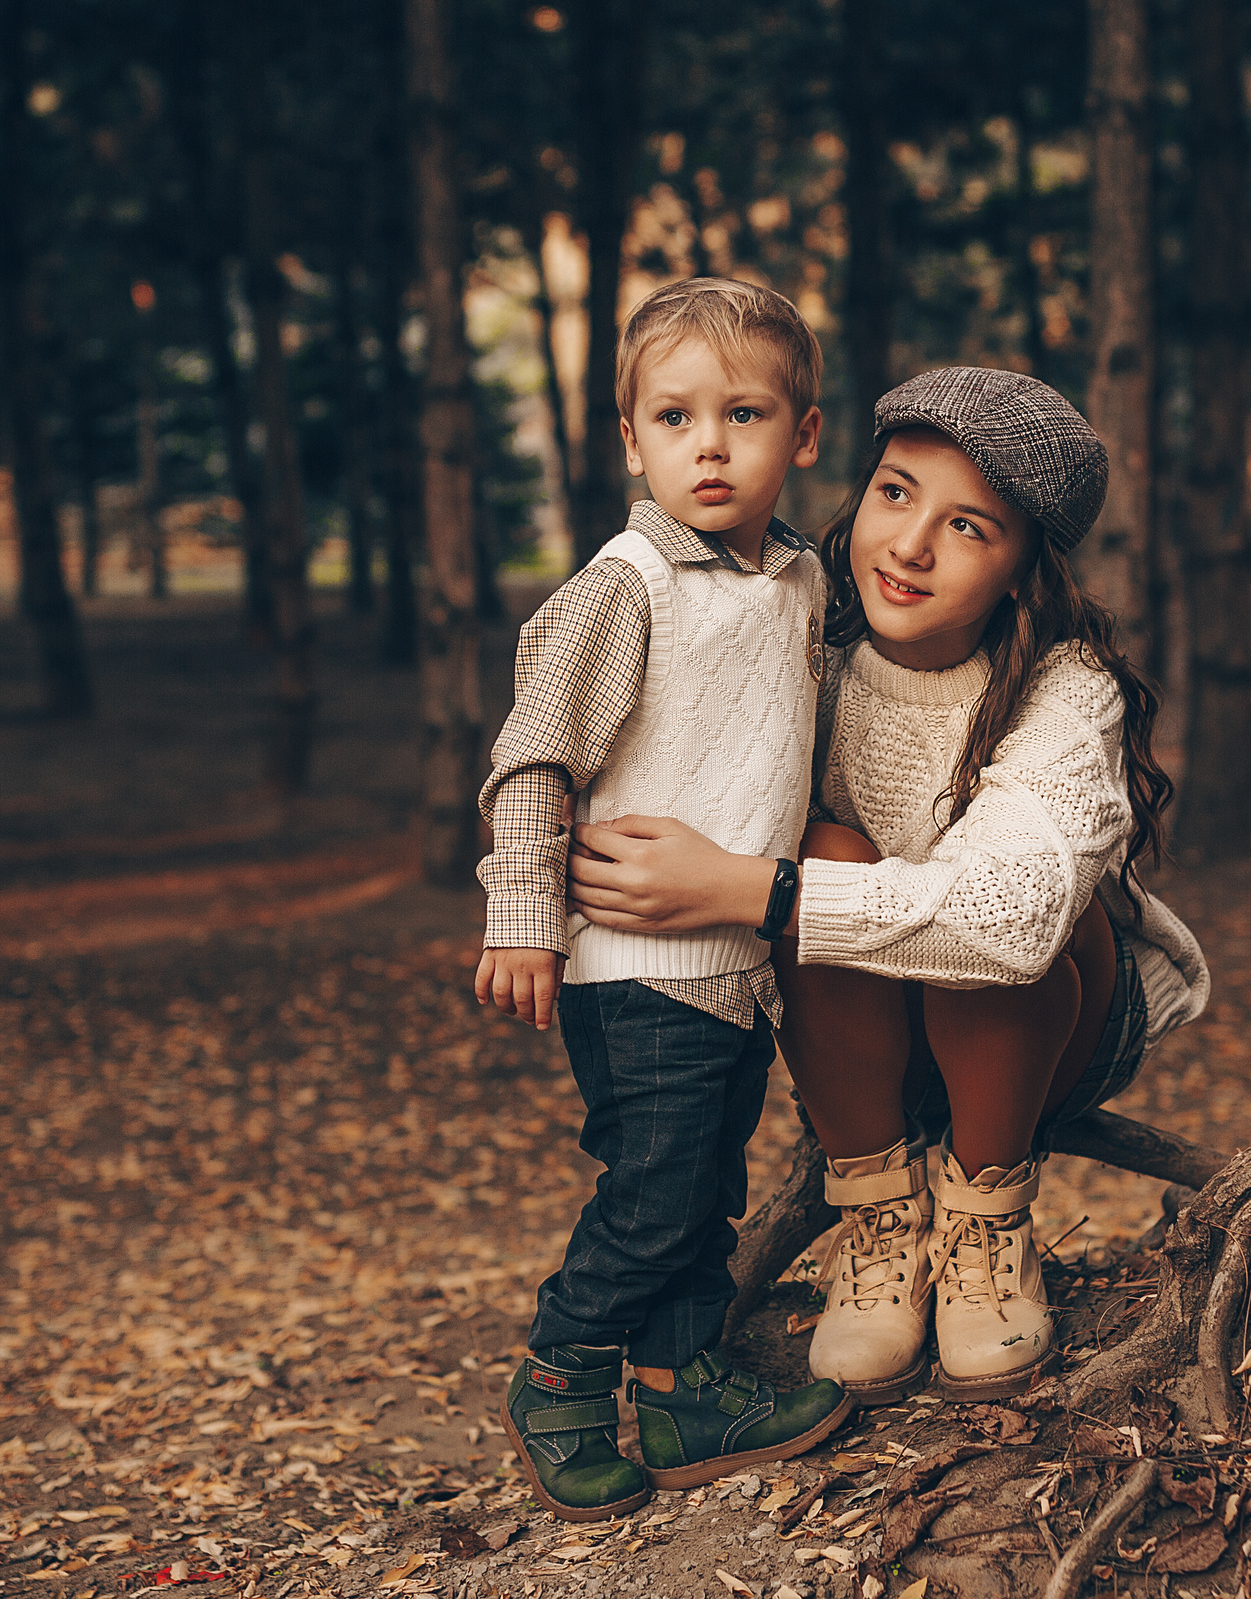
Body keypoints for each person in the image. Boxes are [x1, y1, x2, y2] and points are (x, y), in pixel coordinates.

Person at [567, 366, 1210, 1404]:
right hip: (863, 1039)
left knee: (1003, 903)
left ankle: (988, 1223)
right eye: (896, 494)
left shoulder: (1067, 688)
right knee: (824, 846)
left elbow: (1010, 922)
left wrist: (754, 892)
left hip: (1052, 1022)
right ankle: (879, 1217)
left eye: (968, 527)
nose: (909, 546)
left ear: (1022, 570)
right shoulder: (807, 644)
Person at [472, 277, 854, 1522]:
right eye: (675, 418)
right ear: (632, 442)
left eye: (744, 415)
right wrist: (523, 916)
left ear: (803, 434)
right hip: (633, 964)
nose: (710, 446)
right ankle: (558, 1376)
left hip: (736, 955)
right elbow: (534, 755)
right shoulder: (626, 583)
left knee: (706, 1191)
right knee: (652, 1196)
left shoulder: (799, 579)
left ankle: (682, 1390)